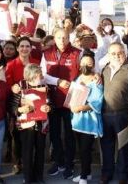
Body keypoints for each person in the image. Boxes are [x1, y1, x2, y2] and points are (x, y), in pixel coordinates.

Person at [40, 28, 82, 179]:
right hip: (53, 100)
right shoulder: (46, 53)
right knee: (55, 134)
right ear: (54, 38)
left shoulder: (78, 53)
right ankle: (59, 162)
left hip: (71, 101)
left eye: (64, 38)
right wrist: (57, 81)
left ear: (69, 38)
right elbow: (42, 75)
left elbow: (84, 74)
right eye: (59, 38)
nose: (62, 41)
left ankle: (70, 165)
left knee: (70, 135)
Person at [10, 64, 51, 184]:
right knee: (27, 151)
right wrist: (19, 110)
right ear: (31, 74)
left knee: (40, 150)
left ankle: (39, 175)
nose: (41, 75)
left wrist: (49, 108)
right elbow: (12, 105)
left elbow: (51, 104)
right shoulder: (20, 86)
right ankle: (27, 177)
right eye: (39, 73)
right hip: (26, 125)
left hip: (41, 124)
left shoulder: (45, 87)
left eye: (41, 73)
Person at [99, 43, 128, 184]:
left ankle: (123, 175)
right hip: (105, 114)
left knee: (124, 146)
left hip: (123, 114)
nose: (117, 56)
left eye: (120, 53)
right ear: (109, 55)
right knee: (106, 146)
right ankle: (107, 173)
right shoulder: (104, 69)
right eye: (113, 53)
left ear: (124, 53)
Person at [70, 52, 104, 184]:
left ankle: (83, 176)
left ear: (94, 65)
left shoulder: (96, 81)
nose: (86, 65)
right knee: (81, 149)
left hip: (89, 122)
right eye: (83, 63)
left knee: (85, 149)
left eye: (89, 63)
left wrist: (81, 108)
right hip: (77, 120)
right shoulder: (78, 79)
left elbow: (97, 102)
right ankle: (87, 173)